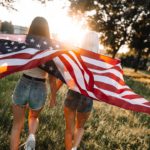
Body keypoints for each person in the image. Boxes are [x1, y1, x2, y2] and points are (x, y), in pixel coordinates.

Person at [10, 16, 56, 150]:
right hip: (40, 86)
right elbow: (53, 77)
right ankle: (31, 136)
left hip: (23, 82)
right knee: (33, 117)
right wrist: (53, 96)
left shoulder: (25, 43)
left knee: (16, 125)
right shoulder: (50, 48)